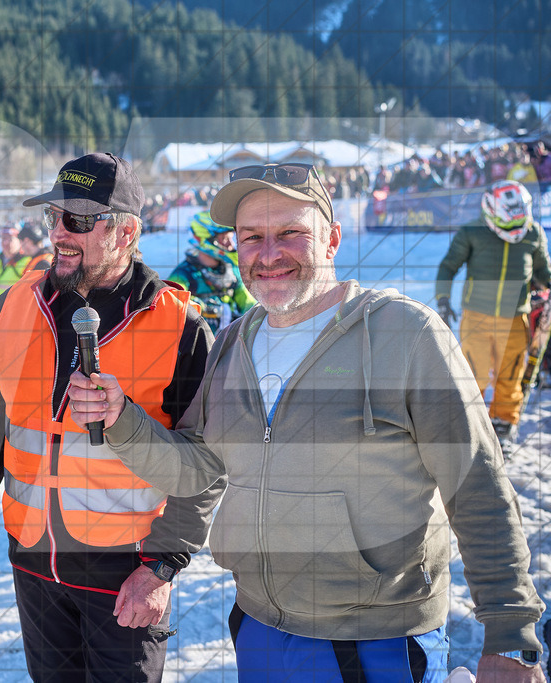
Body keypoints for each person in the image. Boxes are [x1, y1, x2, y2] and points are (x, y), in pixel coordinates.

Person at [68, 162, 546, 682]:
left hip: (376, 640)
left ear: (332, 238)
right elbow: (198, 469)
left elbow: (478, 485)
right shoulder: (232, 345)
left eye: (291, 233)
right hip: (260, 627)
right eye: (252, 237)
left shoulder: (405, 335)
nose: (269, 254)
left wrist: (511, 636)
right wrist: (122, 419)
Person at [0, 152, 220, 682]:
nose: (59, 232)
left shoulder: (181, 327)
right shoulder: (13, 307)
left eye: (78, 220)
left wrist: (163, 567)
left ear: (126, 232)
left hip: (126, 573)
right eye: (52, 217)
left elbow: (207, 465)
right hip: (33, 563)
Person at [435, 179, 551, 452]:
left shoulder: (533, 233)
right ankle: (468, 429)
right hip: (477, 316)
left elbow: (543, 272)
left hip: (515, 319)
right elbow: (448, 266)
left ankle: (503, 429)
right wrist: (442, 298)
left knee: (510, 376)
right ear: (491, 211)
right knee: (472, 375)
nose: (514, 229)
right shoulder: (472, 231)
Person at [168, 221, 255, 333]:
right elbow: (171, 302)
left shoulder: (231, 270)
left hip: (230, 340)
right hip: (197, 341)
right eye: (224, 239)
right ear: (206, 239)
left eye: (231, 239)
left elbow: (248, 303)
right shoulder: (183, 273)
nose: (231, 245)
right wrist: (202, 307)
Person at [0, 224, 31, 298]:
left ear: (19, 241)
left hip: (16, 308)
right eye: (3, 239)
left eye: (10, 239)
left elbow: (30, 291)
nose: (5, 242)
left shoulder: (27, 261)